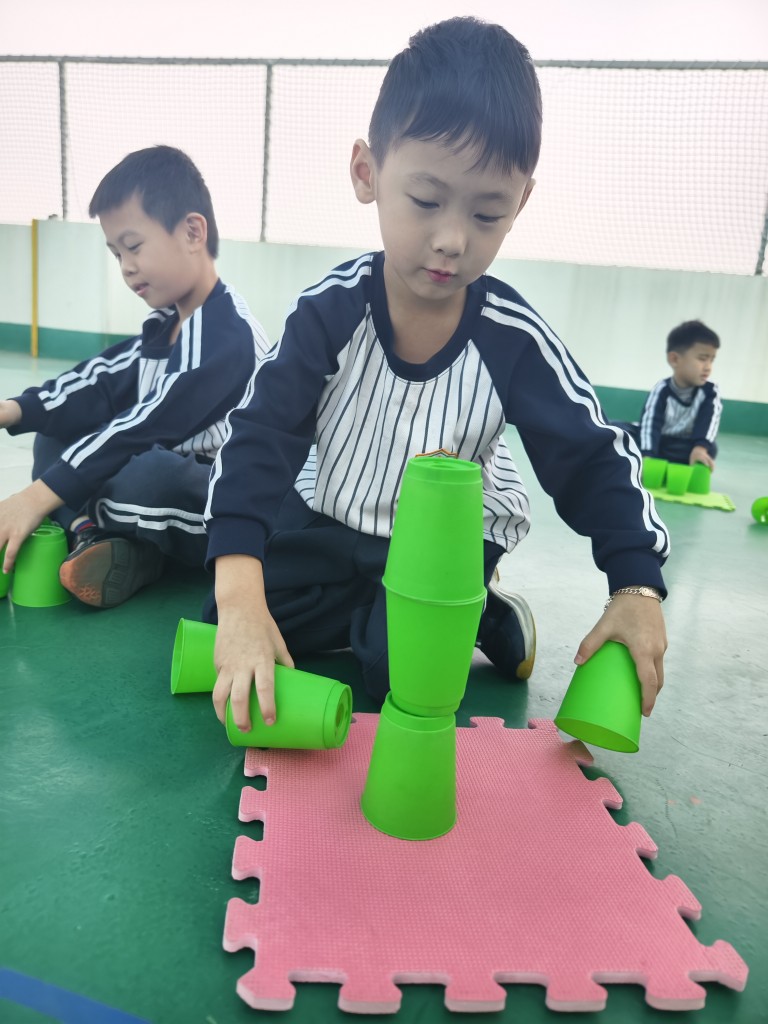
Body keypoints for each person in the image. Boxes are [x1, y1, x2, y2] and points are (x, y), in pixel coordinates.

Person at [203, 16, 670, 733]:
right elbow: (260, 435)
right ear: (368, 173)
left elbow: (592, 454)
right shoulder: (330, 312)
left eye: (487, 214)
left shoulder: (512, 339)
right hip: (338, 514)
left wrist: (637, 585)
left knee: (402, 671)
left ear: (520, 203)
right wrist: (239, 597)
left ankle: (477, 609)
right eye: (426, 201)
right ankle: (408, 613)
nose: (452, 239)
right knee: (229, 610)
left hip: (447, 542)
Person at [0, 145, 271, 607]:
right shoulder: (166, 324)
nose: (125, 267)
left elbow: (147, 422)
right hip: (164, 472)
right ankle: (106, 542)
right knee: (53, 436)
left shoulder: (228, 333)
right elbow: (99, 381)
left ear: (192, 232)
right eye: (116, 253)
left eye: (134, 246)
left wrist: (35, 497)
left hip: (225, 495)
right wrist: (15, 409)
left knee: (149, 476)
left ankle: (108, 536)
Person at [636, 320, 721, 469]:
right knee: (625, 431)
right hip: (660, 442)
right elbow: (650, 423)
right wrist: (647, 455)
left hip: (685, 446)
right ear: (674, 359)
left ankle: (690, 458)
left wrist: (700, 449)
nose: (708, 367)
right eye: (702, 359)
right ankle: (647, 459)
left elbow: (709, 422)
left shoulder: (710, 391)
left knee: (710, 447)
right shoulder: (662, 389)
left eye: (711, 360)